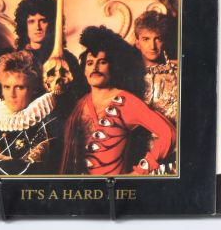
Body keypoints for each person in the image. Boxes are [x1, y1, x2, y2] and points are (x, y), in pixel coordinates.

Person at [59, 26, 175, 175]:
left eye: (102, 62)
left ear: (113, 67)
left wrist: (140, 172)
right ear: (84, 70)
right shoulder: (79, 105)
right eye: (90, 63)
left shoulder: (127, 102)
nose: (95, 67)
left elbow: (168, 134)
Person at [0, 51, 60, 175]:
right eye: (6, 87)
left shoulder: (49, 123)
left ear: (34, 89)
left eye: (19, 87)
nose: (11, 95)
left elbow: (35, 172)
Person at [133, 10, 178, 124]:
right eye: (146, 39)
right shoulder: (129, 76)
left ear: (164, 41)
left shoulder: (177, 73)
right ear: (137, 42)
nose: (152, 46)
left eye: (158, 39)